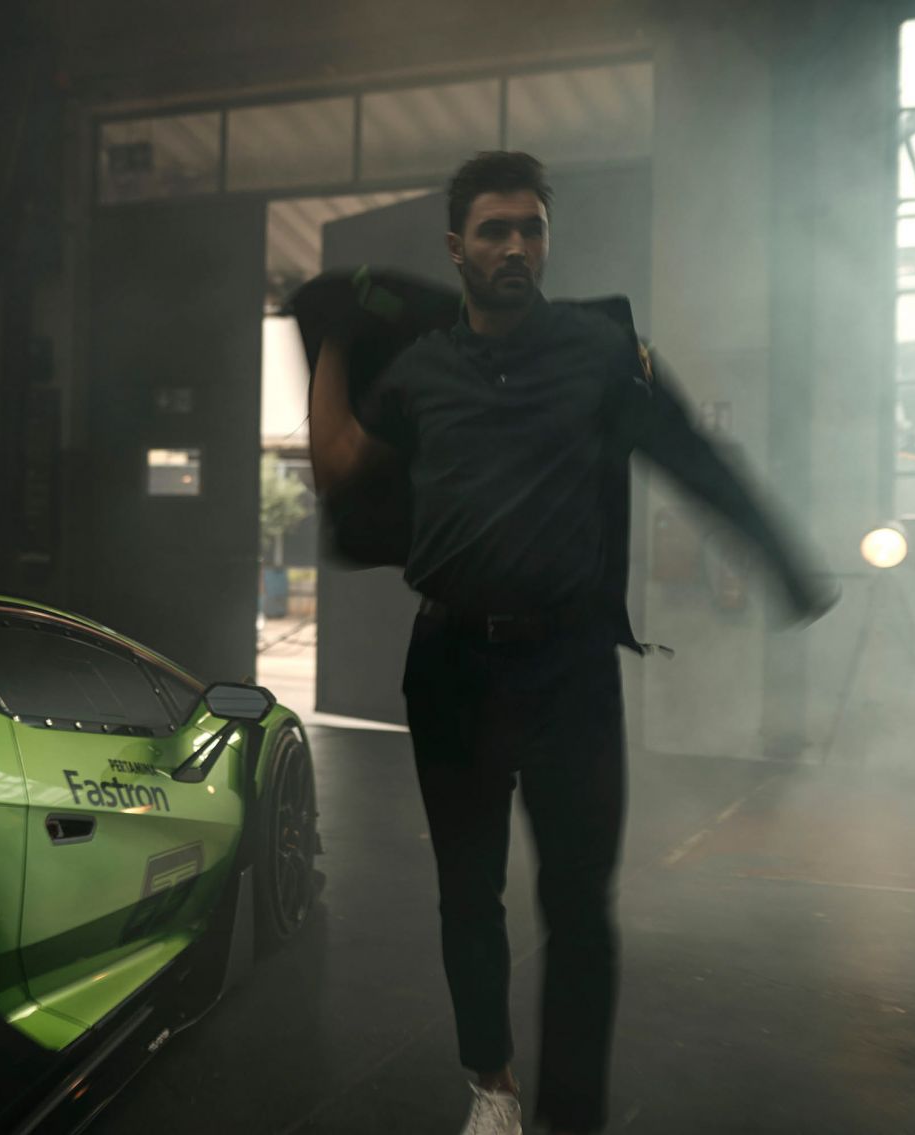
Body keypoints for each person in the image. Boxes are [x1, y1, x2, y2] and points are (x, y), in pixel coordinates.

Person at [307, 151, 836, 1135]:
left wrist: (785, 566)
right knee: (467, 896)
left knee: (581, 907)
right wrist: (332, 335)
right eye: (495, 230)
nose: (515, 246)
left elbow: (694, 457)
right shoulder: (421, 369)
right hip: (451, 667)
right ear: (457, 246)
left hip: (569, 670)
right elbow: (340, 464)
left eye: (531, 229)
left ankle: (572, 1118)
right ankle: (492, 1088)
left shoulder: (601, 354)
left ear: (546, 240)